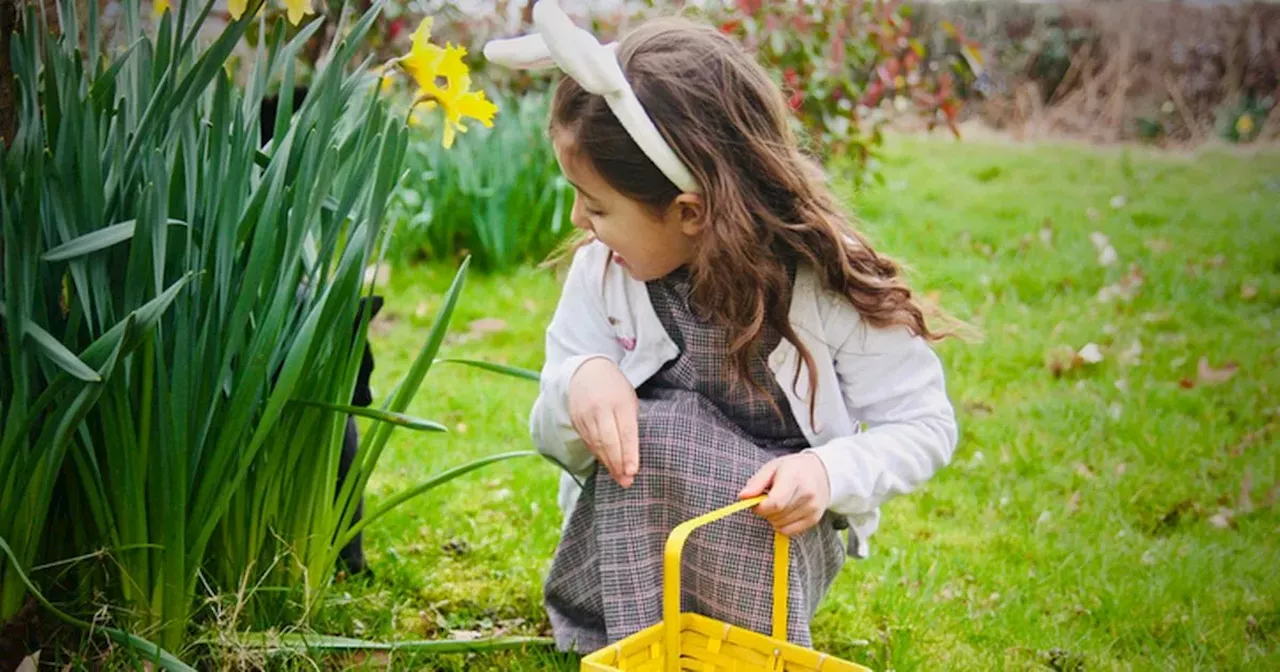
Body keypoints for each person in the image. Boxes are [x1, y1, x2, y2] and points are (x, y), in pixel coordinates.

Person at [486, 2, 959, 654]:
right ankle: (624, 637)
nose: (577, 221)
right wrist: (579, 383)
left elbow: (927, 426)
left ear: (689, 212)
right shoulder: (605, 274)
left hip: (764, 545)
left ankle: (737, 649)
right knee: (655, 429)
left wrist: (827, 472)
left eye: (596, 204)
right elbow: (552, 435)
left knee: (669, 431)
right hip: (626, 540)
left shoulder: (822, 280)